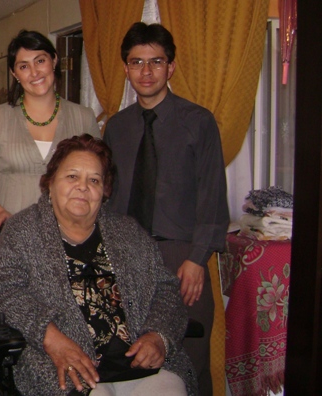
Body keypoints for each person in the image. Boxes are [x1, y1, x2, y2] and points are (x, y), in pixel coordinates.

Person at [0, 134, 197, 396]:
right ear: (50, 183)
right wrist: (51, 339)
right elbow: (1, 291)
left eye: (93, 180)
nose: (82, 187)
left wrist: (159, 337)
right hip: (63, 366)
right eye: (72, 176)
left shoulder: (128, 232)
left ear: (104, 191)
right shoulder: (23, 231)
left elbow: (166, 289)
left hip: (143, 368)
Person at [102, 22, 229, 396]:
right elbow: (108, 199)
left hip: (182, 258)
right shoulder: (117, 127)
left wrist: (197, 258)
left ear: (170, 67)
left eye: (155, 62)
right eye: (136, 62)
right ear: (126, 68)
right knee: (133, 358)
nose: (146, 72)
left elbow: (213, 196)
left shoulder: (199, 122)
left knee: (190, 359)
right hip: (127, 256)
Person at [0, 30, 100, 256]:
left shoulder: (83, 117)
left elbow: (97, 180)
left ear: (53, 60)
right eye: (24, 66)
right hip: (10, 232)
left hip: (69, 233)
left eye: (40, 61)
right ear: (15, 73)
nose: (34, 72)